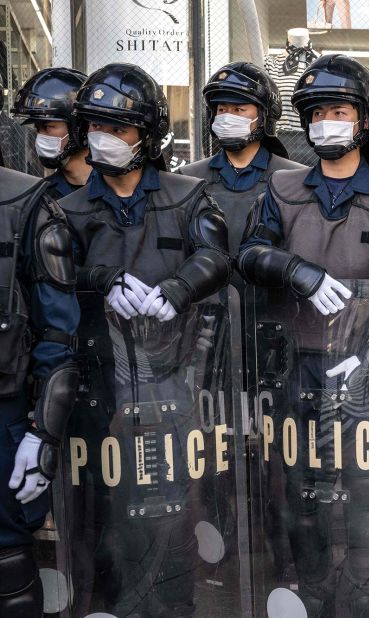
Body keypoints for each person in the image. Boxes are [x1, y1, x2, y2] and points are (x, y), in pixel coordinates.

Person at [238, 54, 369, 615]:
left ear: (364, 120)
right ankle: (316, 589)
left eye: (338, 111)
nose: (327, 122)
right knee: (302, 486)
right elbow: (249, 254)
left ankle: (366, 594)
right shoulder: (282, 188)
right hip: (297, 362)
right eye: (317, 112)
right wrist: (296, 271)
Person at [58, 62, 231, 616]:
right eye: (97, 127)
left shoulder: (187, 196)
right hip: (100, 388)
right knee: (107, 516)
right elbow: (52, 278)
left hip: (174, 380)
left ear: (148, 135)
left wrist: (181, 287)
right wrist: (101, 283)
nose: (106, 139)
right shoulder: (67, 211)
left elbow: (216, 254)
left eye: (120, 128)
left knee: (173, 511)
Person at [0, 90, 79, 618]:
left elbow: (58, 328)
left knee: (8, 554)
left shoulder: (26, 201)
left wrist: (41, 432)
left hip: (5, 401)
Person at [179, 62, 305, 256]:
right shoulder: (187, 178)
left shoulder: (295, 179)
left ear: (264, 115)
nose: (227, 118)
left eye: (239, 110)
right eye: (221, 110)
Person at [12, 67, 92, 198]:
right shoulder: (42, 197)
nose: (40, 138)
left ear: (80, 127)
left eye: (48, 127)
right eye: (38, 129)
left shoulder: (115, 189)